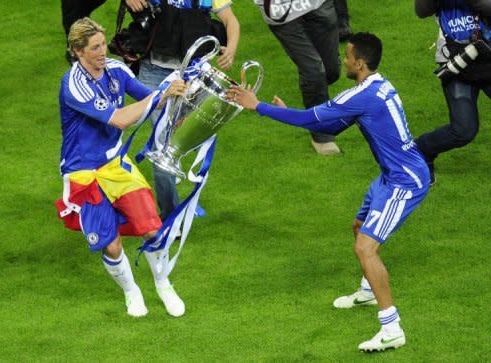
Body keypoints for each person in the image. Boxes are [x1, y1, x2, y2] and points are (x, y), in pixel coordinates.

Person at [228, 32, 430, 352]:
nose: (343, 61)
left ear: (360, 63)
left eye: (347, 57)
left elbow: (313, 117)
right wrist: (292, 113)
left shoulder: (361, 96)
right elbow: (332, 126)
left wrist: (259, 107)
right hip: (391, 176)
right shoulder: (377, 86)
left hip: (404, 183)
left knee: (365, 249)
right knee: (359, 227)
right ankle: (367, 290)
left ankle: (392, 328)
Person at [55, 17, 188, 318]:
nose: (103, 51)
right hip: (83, 172)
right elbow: (120, 119)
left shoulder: (115, 69)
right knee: (111, 246)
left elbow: (146, 98)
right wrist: (161, 93)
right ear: (78, 51)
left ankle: (163, 285)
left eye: (103, 44)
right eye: (95, 47)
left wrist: (178, 104)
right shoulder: (73, 85)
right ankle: (132, 292)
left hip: (116, 162)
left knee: (152, 230)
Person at [135, 0, 240, 220]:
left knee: (189, 136)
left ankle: (185, 202)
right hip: (155, 74)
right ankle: (171, 213)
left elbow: (230, 20)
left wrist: (230, 49)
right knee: (164, 142)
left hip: (194, 76)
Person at [414, 0, 491, 185]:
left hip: (488, 56)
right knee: (463, 131)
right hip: (457, 63)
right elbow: (422, 10)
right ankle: (421, 151)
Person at [253, 0, 342, 155]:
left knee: (331, 71)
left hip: (319, 4)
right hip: (280, 10)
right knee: (314, 70)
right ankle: (322, 137)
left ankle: (313, 84)